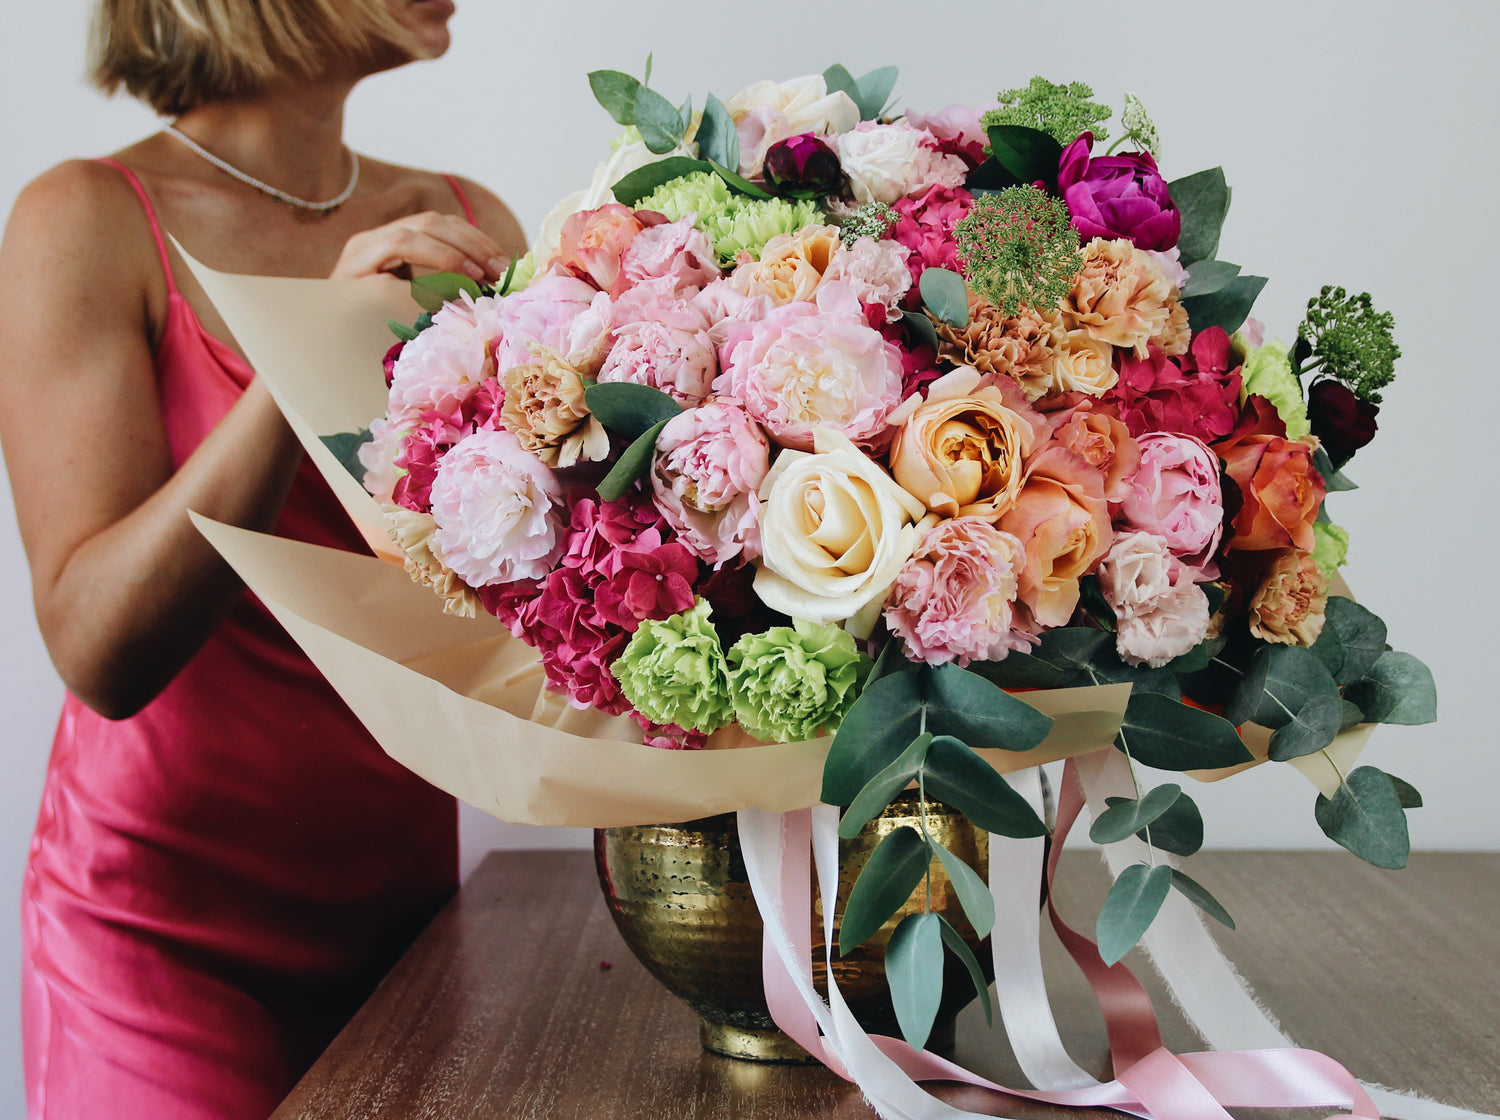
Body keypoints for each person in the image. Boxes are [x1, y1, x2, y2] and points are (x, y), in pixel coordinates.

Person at [0, 1, 526, 1116]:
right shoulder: (86, 218)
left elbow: (538, 607)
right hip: (159, 938)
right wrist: (306, 354)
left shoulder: (469, 224)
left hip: (416, 915)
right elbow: (99, 648)